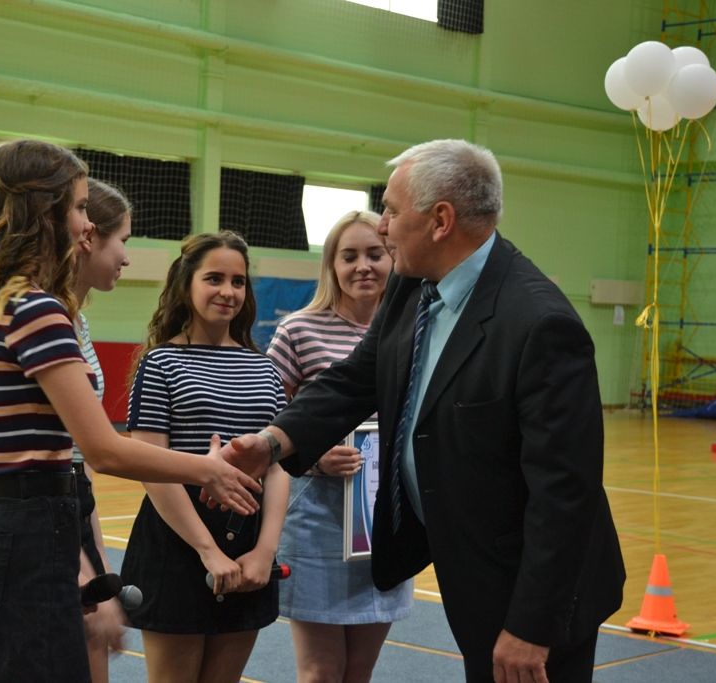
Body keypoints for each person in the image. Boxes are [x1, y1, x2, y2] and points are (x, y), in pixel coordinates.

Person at [211, 139, 626, 683]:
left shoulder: (539, 323)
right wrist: (271, 443)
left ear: (440, 221)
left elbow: (565, 493)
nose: (382, 226)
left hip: (535, 591)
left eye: (391, 210)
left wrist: (532, 626)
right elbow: (357, 377)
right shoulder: (413, 286)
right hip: (471, 566)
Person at [0, 140, 262, 682]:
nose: (88, 225)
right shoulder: (34, 310)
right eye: (81, 207)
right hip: (23, 537)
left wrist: (89, 566)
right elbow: (103, 451)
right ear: (46, 212)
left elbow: (59, 463)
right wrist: (209, 469)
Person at [120, 231, 289, 683]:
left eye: (238, 281)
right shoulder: (161, 363)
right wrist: (207, 551)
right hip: (178, 541)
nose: (228, 291)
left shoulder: (264, 368)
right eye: (214, 278)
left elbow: (278, 467)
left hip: (248, 543)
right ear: (186, 284)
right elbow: (152, 467)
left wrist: (264, 551)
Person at [266, 210, 412, 683]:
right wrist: (312, 455)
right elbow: (268, 419)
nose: (362, 266)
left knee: (359, 671)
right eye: (348, 256)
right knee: (320, 671)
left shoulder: (415, 331)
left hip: (383, 518)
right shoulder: (298, 330)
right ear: (331, 266)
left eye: (375, 254)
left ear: (394, 258)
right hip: (316, 519)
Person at [71, 178, 133, 683]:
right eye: (124, 241)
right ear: (89, 236)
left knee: (93, 646)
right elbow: (101, 451)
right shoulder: (43, 319)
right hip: (39, 513)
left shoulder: (80, 323)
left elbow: (81, 468)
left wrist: (100, 564)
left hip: (71, 500)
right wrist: (207, 469)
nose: (127, 257)